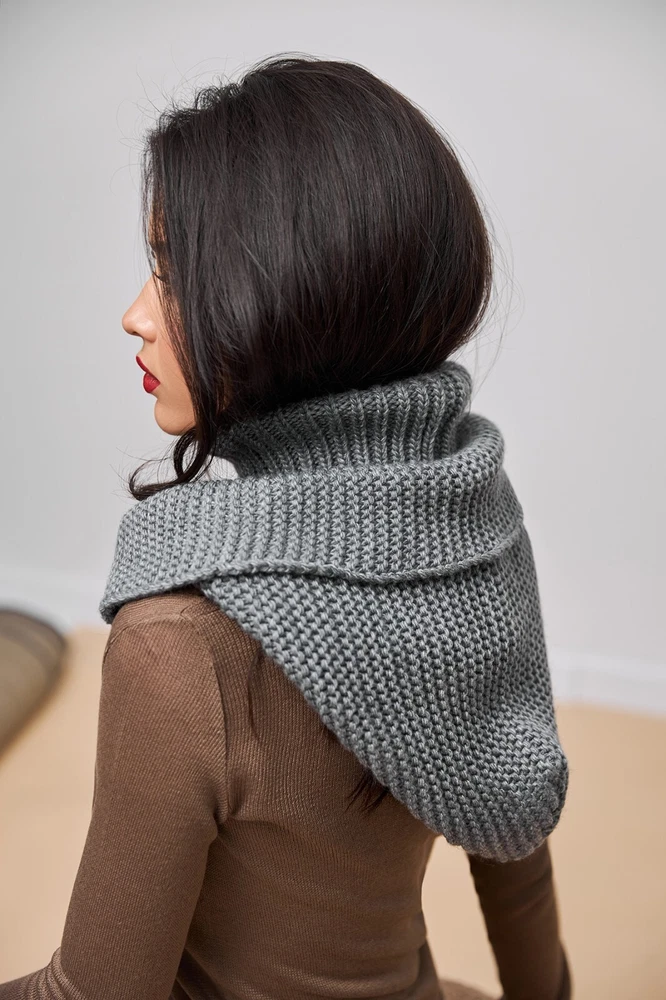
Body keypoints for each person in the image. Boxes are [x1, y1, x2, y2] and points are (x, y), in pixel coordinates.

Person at [0, 54, 572, 1000]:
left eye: (174, 271)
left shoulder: (176, 642)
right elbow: (518, 841)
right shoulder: (475, 522)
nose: (135, 315)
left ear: (292, 290)